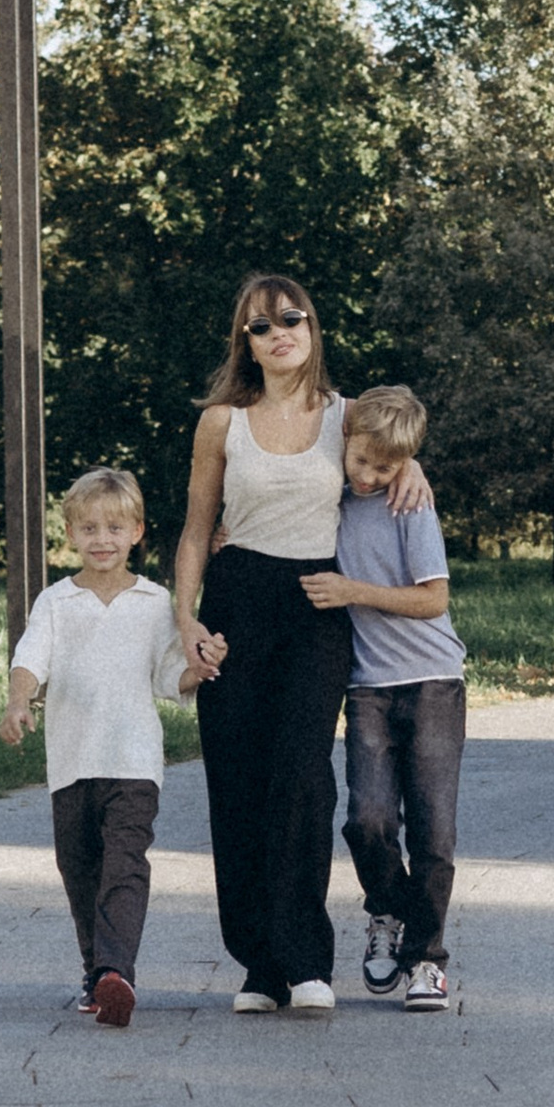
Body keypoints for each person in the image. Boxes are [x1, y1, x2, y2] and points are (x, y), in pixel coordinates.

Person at [173, 272, 429, 1017]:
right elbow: (195, 529)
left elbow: (393, 447)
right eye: (262, 325)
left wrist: (413, 467)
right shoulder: (221, 422)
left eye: (293, 317)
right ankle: (259, 966)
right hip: (235, 601)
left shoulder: (346, 415)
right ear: (245, 343)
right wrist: (185, 622)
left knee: (302, 776)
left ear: (313, 328)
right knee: (238, 781)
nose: (280, 331)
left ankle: (307, 959)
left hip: (316, 605)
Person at [0, 465, 199, 1028]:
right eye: (89, 529)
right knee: (79, 869)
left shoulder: (156, 602)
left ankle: (118, 972)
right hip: (71, 763)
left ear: (137, 531)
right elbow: (30, 659)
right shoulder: (56, 603)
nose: (102, 540)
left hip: (134, 762)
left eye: (115, 528)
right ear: (70, 534)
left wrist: (199, 669)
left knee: (125, 865)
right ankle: (97, 972)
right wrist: (18, 702)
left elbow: (169, 676)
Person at [304, 387, 466, 1011]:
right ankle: (387, 913)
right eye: (362, 461)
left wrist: (352, 590)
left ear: (406, 465)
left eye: (387, 467)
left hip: (431, 680)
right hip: (367, 686)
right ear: (345, 441)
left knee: (433, 829)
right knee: (367, 819)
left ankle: (426, 960)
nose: (370, 477)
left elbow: (433, 600)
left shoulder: (409, 504)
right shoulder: (331, 497)